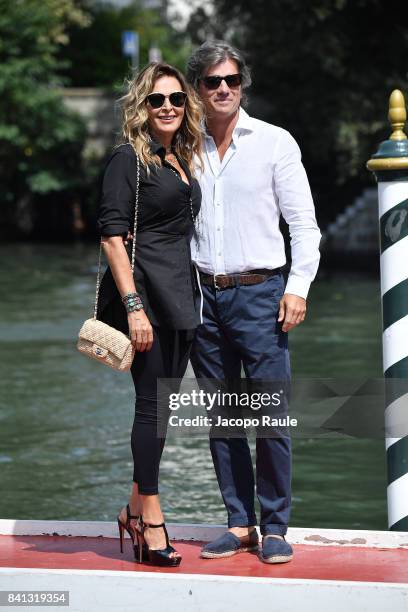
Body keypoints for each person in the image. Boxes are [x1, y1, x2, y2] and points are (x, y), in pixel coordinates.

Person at [186, 41, 321, 563]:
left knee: (270, 415)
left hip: (263, 294)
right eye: (213, 82)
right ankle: (239, 523)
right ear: (198, 88)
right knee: (222, 416)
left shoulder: (274, 142)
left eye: (233, 81)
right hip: (201, 298)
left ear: (243, 84)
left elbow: (304, 226)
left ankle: (276, 526)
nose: (224, 89)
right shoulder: (182, 146)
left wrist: (298, 288)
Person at [96, 62, 203, 567]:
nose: (167, 107)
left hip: (182, 297)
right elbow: (112, 237)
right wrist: (134, 307)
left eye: (177, 99)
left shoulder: (177, 158)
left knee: (164, 408)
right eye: (157, 99)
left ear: (186, 106)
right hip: (147, 300)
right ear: (143, 104)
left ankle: (131, 508)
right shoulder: (128, 159)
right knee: (151, 407)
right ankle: (152, 519)